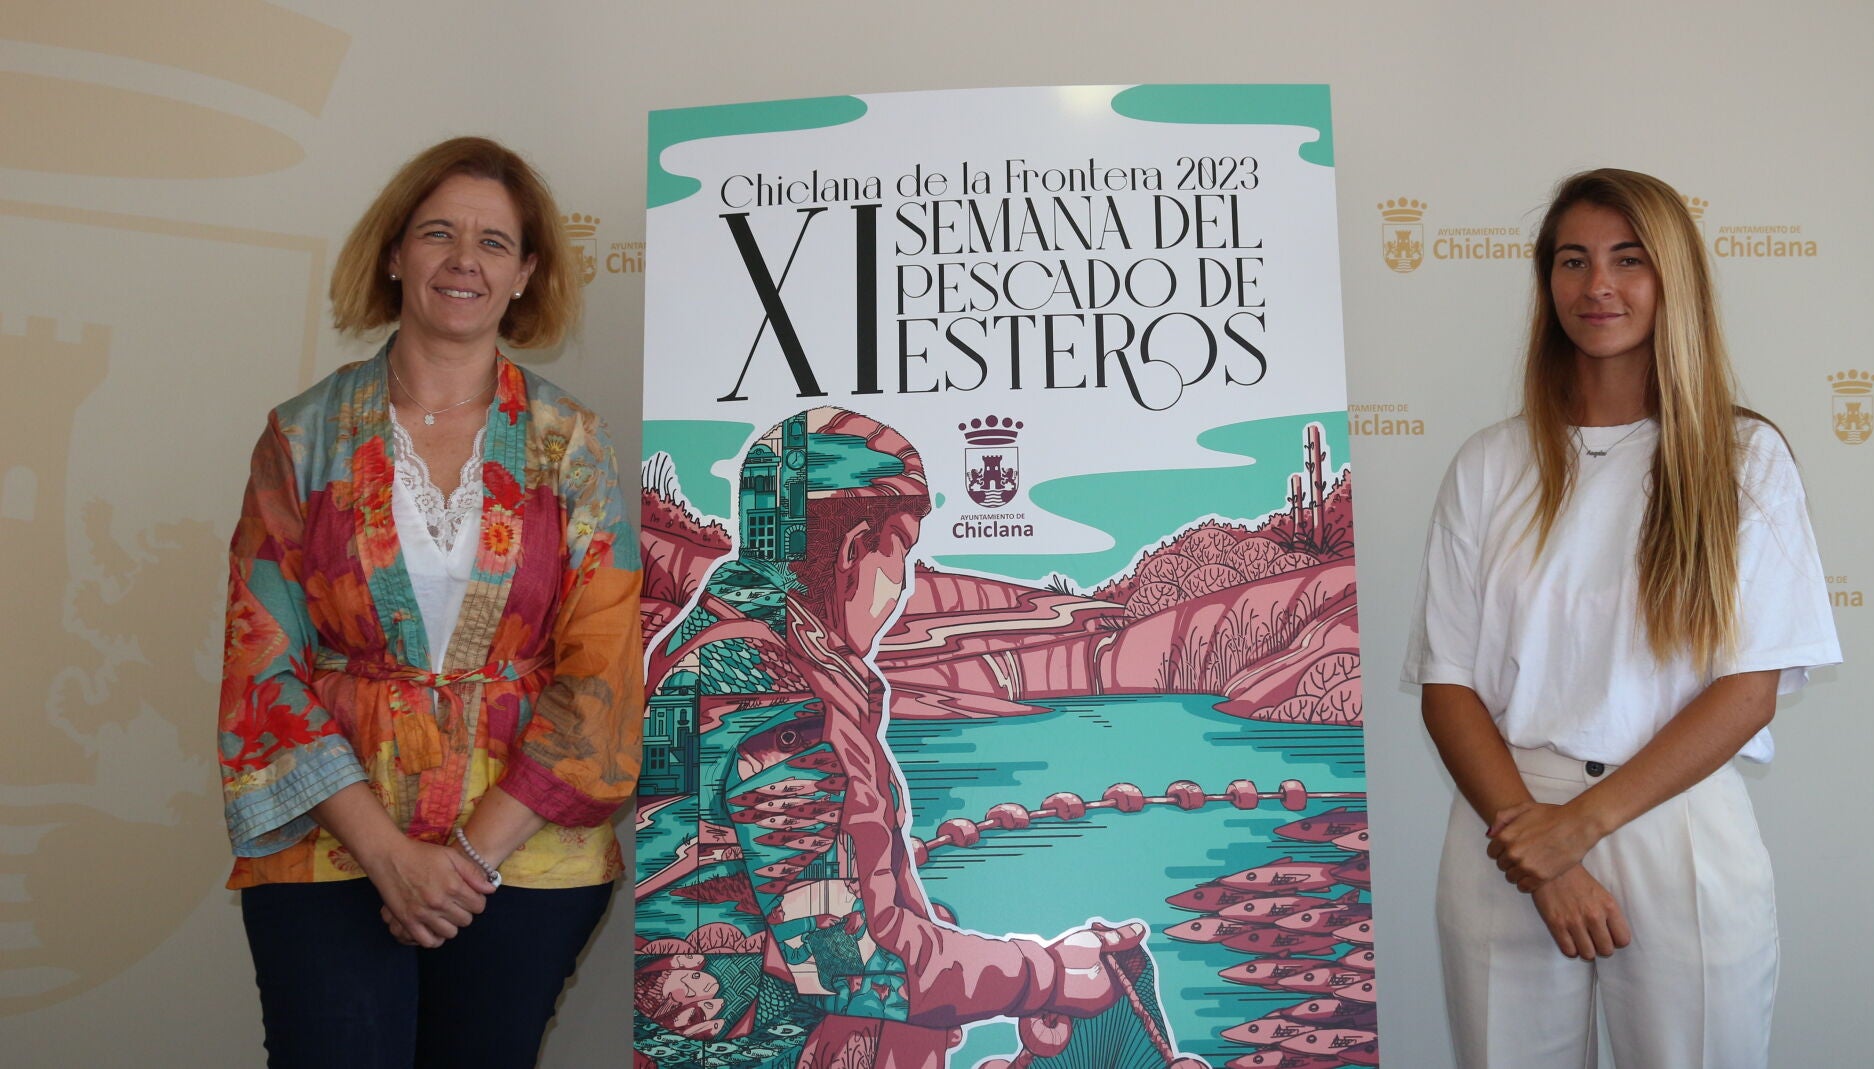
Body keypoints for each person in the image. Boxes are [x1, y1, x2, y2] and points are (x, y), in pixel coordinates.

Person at [217, 136, 642, 1068]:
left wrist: (470, 857)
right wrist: (391, 855)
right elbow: (261, 665)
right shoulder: (301, 437)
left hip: (524, 854)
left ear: (525, 273)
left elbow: (603, 672)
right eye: (438, 233)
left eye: (494, 242)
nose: (464, 260)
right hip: (333, 843)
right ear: (394, 254)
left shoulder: (572, 443)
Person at [1403, 168, 1840, 1068]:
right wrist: (1546, 851)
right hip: (1510, 827)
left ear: (1673, 275)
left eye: (1628, 259)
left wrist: (1582, 827)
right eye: (1573, 260)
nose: (1597, 284)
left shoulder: (1744, 457)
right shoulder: (1488, 464)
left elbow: (1748, 690)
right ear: (1547, 282)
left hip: (1675, 821)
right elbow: (1448, 686)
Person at [640, 408, 1174, 1069]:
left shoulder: (710, 654)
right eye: (902, 551)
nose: (906, 582)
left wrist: (956, 966)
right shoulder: (778, 696)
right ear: (852, 549)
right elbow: (850, 963)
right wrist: (1052, 974)